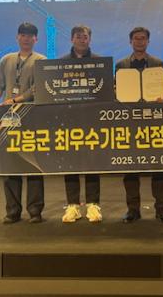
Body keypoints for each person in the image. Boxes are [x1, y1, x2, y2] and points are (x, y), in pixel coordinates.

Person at [0, 22, 47, 224]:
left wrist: (16, 100)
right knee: (10, 164)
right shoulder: (6, 60)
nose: (26, 38)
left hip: (31, 115)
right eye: (23, 35)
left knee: (33, 164)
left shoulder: (41, 60)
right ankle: (12, 211)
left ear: (36, 39)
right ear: (17, 37)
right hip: (8, 117)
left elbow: (38, 88)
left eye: (30, 36)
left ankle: (35, 211)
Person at [115, 27, 163, 224]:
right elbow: (117, 91)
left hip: (154, 120)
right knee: (130, 167)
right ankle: (133, 210)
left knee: (159, 167)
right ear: (130, 41)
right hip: (130, 121)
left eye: (143, 38)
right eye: (136, 39)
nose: (140, 41)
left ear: (148, 41)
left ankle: (162, 210)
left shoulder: (158, 64)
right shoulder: (121, 65)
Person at [60, 25, 104, 223]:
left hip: (93, 119)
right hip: (68, 120)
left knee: (92, 162)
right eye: (78, 37)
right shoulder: (61, 63)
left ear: (90, 39)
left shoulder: (99, 62)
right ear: (72, 39)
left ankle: (93, 204)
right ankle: (73, 206)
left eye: (85, 37)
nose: (82, 40)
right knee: (71, 163)